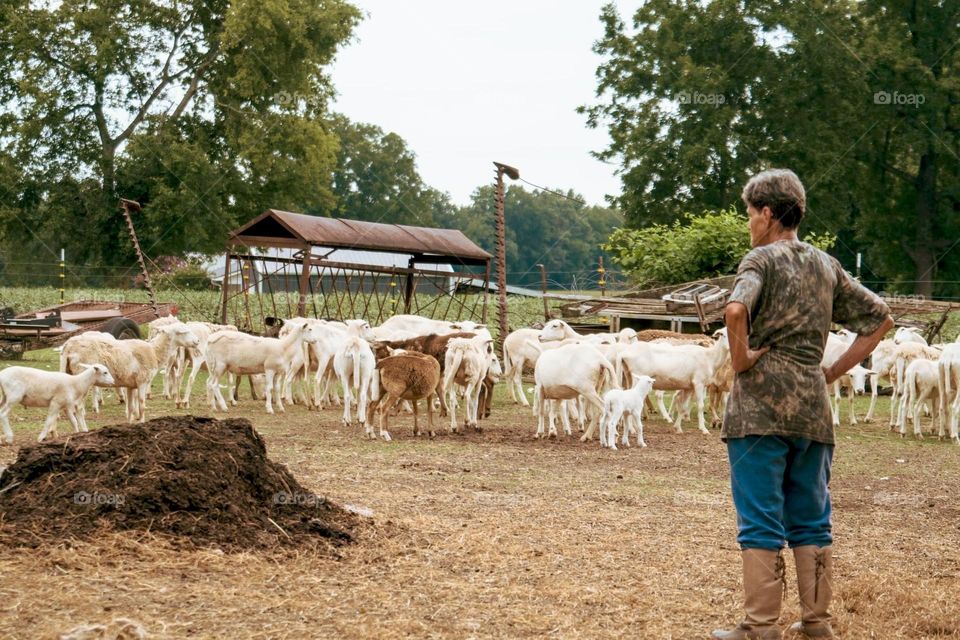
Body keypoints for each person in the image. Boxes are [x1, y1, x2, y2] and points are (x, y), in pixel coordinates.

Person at [711, 169, 894, 640]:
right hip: (813, 411)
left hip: (759, 412)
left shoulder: (760, 260)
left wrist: (741, 358)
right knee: (812, 516)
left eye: (751, 214)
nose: (749, 223)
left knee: (760, 517)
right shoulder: (826, 265)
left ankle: (760, 626)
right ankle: (817, 622)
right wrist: (830, 372)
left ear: (768, 213)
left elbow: (735, 310)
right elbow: (880, 320)